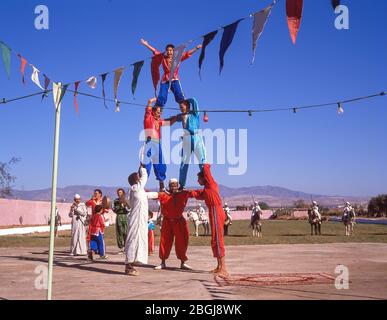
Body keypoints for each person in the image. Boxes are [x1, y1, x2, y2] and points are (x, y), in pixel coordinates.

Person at [147, 178, 195, 271]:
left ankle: (183, 263)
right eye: (172, 185)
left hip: (179, 221)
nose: (174, 187)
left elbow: (194, 194)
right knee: (165, 241)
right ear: (169, 186)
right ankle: (163, 262)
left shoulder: (182, 194)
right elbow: (153, 195)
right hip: (167, 221)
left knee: (182, 242)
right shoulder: (164, 195)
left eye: (175, 185)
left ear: (178, 186)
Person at [140, 39, 202, 108]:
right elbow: (154, 51)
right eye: (167, 50)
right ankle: (158, 107)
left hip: (174, 78)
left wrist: (196, 48)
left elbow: (187, 54)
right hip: (165, 80)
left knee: (178, 93)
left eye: (171, 50)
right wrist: (146, 44)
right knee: (162, 95)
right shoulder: (163, 58)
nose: (169, 52)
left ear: (174, 51)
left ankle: (184, 105)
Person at [191, 164, 229, 278]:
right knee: (214, 239)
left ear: (204, 178)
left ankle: (224, 268)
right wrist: (183, 192)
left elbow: (207, 172)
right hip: (212, 212)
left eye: (199, 179)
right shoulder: (207, 190)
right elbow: (196, 194)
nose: (197, 181)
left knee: (218, 239)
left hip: (216, 211)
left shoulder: (211, 184)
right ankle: (219, 266)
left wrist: (204, 164)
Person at [168, 98, 207, 190]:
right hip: (186, 139)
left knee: (202, 160)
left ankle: (206, 181)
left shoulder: (195, 113)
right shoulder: (181, 116)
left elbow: (195, 101)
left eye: (182, 106)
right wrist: (161, 121)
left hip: (196, 137)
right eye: (180, 107)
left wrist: (184, 99)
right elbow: (171, 119)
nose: (180, 108)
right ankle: (182, 185)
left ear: (188, 106)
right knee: (184, 162)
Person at [124, 165, 149, 276]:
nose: (140, 178)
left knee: (140, 238)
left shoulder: (139, 191)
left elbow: (146, 196)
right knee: (132, 239)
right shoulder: (135, 188)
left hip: (141, 219)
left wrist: (160, 194)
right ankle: (128, 265)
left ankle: (135, 260)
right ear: (136, 179)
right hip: (135, 218)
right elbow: (145, 176)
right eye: (138, 177)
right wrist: (142, 168)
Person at [142, 97, 169, 191]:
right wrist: (158, 98)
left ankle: (162, 185)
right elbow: (149, 101)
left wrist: (178, 117)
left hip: (158, 143)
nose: (159, 114)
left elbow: (169, 122)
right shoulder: (148, 116)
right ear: (153, 111)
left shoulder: (159, 121)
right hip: (149, 142)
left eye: (160, 113)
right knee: (146, 164)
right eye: (158, 112)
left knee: (160, 164)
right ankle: (142, 185)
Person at [112, 188, 130, 254]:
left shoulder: (126, 200)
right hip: (119, 216)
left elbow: (129, 209)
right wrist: (119, 206)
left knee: (126, 232)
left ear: (123, 193)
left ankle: (126, 247)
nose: (119, 193)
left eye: (121, 192)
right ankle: (121, 248)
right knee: (119, 232)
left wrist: (124, 206)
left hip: (125, 216)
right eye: (118, 192)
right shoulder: (115, 201)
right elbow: (113, 209)